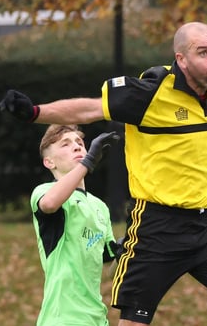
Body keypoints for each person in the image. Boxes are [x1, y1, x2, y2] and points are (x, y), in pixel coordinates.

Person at [0, 22, 207, 326]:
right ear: (181, 59)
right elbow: (88, 110)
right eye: (203, 52)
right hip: (156, 228)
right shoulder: (150, 92)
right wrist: (35, 113)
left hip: (203, 225)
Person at [29, 124, 121, 326]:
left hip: (97, 318)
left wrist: (127, 248)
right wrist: (87, 163)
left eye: (80, 143)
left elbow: (110, 269)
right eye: (66, 144)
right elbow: (50, 204)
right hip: (63, 318)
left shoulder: (100, 207)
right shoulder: (45, 191)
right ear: (49, 162)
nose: (77, 147)